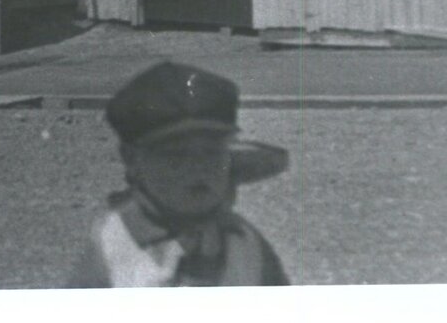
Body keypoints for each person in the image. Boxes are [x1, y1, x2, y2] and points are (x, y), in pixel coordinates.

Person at [67, 60, 291, 288]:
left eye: (212, 152)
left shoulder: (244, 243)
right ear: (133, 160)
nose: (197, 168)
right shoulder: (114, 243)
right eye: (175, 155)